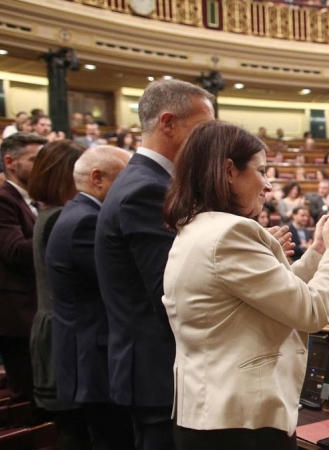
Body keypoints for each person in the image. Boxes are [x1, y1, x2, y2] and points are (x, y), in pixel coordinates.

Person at [161, 121, 329, 449]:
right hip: (242, 425)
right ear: (229, 170)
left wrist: (318, 253)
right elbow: (311, 311)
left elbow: (272, 294)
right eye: (261, 170)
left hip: (212, 414)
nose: (267, 185)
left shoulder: (198, 228)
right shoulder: (231, 233)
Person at [94, 79, 215, 450]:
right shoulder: (147, 188)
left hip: (157, 369)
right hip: (157, 371)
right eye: (202, 130)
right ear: (168, 123)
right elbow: (173, 288)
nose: (208, 142)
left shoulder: (150, 181)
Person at [46, 145, 135, 450]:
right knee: (110, 438)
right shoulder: (86, 222)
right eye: (124, 179)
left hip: (91, 350)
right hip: (93, 357)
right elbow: (122, 282)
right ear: (98, 178)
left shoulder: (81, 214)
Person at [27, 140, 92, 446]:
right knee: (75, 429)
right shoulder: (61, 218)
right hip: (64, 331)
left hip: (53, 327)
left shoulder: (49, 214)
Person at [0, 132, 48, 404]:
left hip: (34, 312)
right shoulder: (4, 198)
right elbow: (14, 251)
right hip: (17, 319)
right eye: (34, 159)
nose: (42, 165)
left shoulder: (33, 200)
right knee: (27, 398)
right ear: (11, 162)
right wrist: (55, 229)